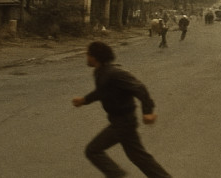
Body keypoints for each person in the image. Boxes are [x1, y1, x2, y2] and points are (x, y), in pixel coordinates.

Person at [73, 41, 171, 178]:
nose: (86, 57)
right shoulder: (101, 72)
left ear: (95, 57)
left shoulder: (115, 73)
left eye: (88, 54)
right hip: (121, 121)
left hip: (123, 122)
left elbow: (140, 88)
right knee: (139, 157)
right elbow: (102, 91)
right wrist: (84, 100)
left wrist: (148, 112)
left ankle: (117, 175)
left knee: (92, 150)